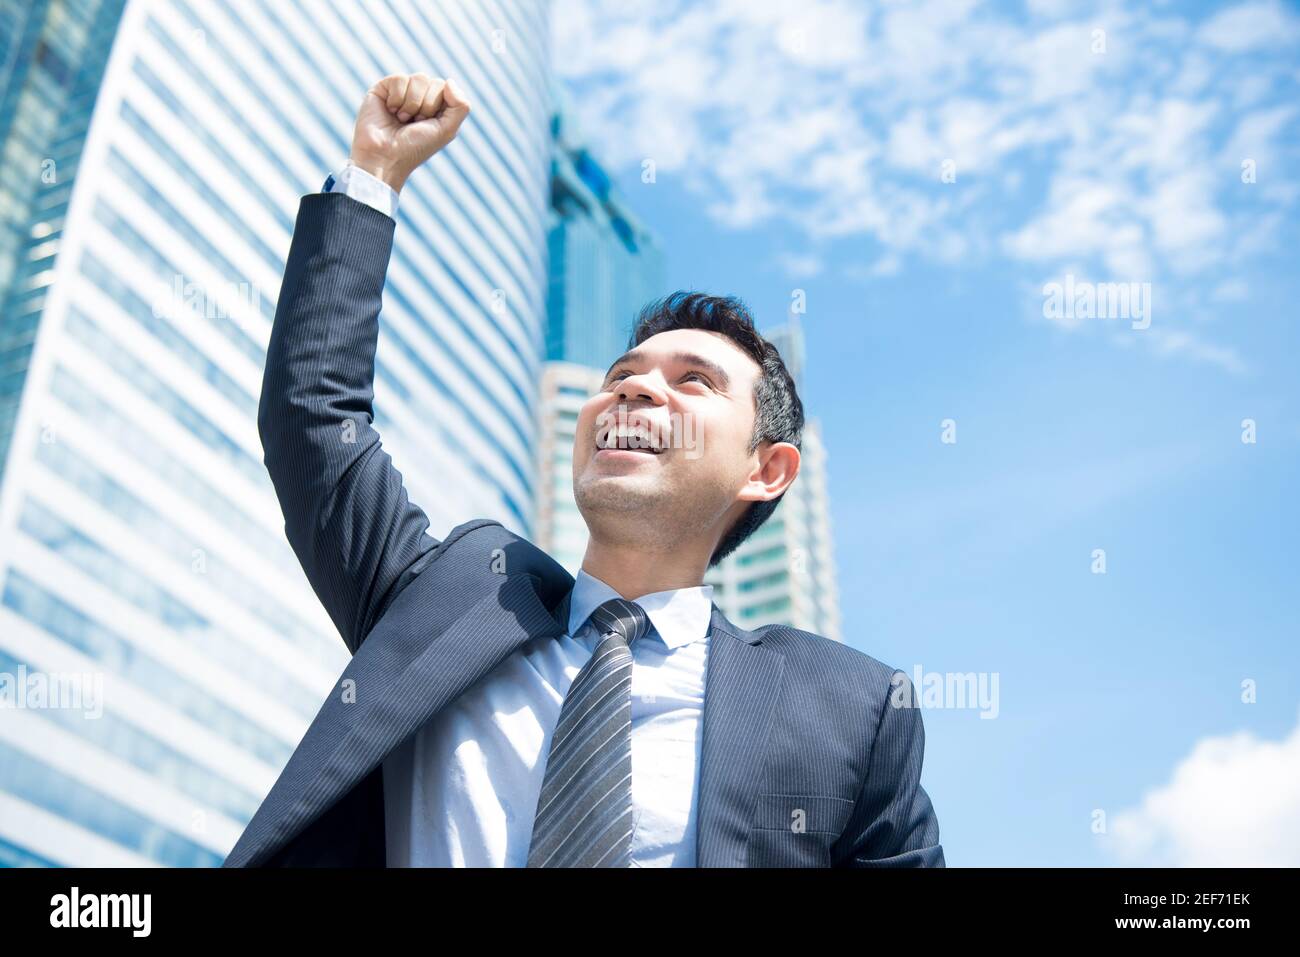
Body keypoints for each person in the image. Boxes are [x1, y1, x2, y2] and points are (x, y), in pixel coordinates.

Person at [223, 73, 944, 868]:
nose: (635, 386)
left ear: (767, 470)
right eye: (622, 374)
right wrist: (374, 175)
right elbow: (312, 417)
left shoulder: (849, 709)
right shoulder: (450, 598)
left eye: (693, 381)